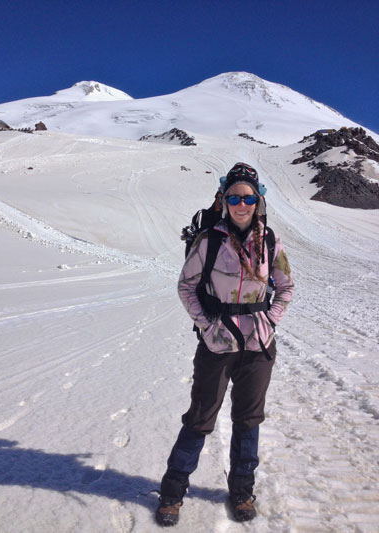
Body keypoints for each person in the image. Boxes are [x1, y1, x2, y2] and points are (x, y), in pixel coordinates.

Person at [155, 163, 294, 526]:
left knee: (248, 421)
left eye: (248, 197)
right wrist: (206, 326)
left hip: (258, 347)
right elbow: (186, 286)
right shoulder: (209, 240)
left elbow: (287, 287)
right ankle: (172, 493)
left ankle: (242, 492)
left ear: (258, 200)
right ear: (225, 199)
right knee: (200, 418)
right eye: (234, 197)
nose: (241, 204)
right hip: (217, 346)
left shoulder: (271, 242)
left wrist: (270, 319)